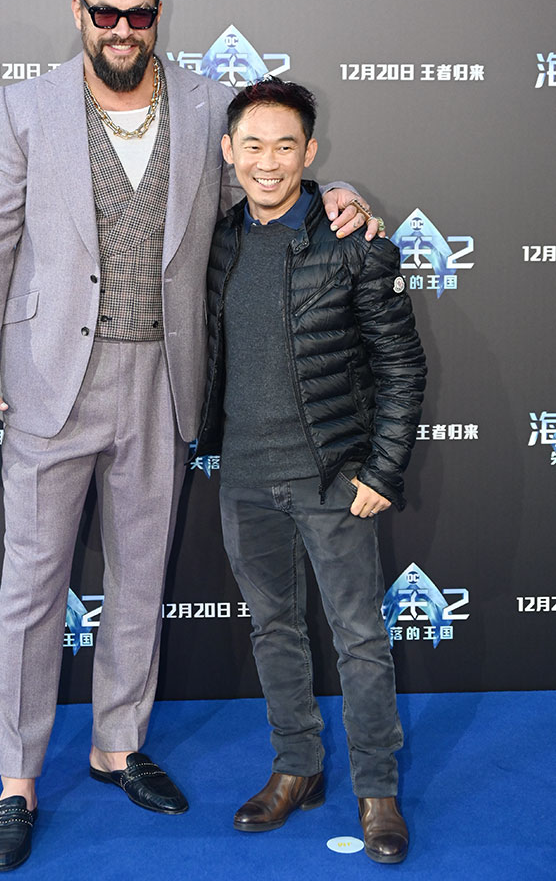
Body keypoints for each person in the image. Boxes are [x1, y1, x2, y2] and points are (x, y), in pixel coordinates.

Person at [0, 0, 382, 873]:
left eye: (140, 15)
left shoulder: (204, 105)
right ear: (79, 14)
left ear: (157, 17)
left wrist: (335, 193)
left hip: (165, 380)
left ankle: (115, 747)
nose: (123, 31)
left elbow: (263, 187)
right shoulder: (25, 108)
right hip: (47, 381)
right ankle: (16, 781)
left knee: (139, 578)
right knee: (30, 589)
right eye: (106, 14)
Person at [195, 78, 426, 864]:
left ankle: (376, 788)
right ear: (228, 153)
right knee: (275, 630)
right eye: (252, 146)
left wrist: (383, 471)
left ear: (311, 153)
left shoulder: (353, 242)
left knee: (360, 637)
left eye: (285, 146)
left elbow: (400, 364)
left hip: (334, 480)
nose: (267, 162)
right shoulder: (216, 239)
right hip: (244, 481)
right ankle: (297, 768)